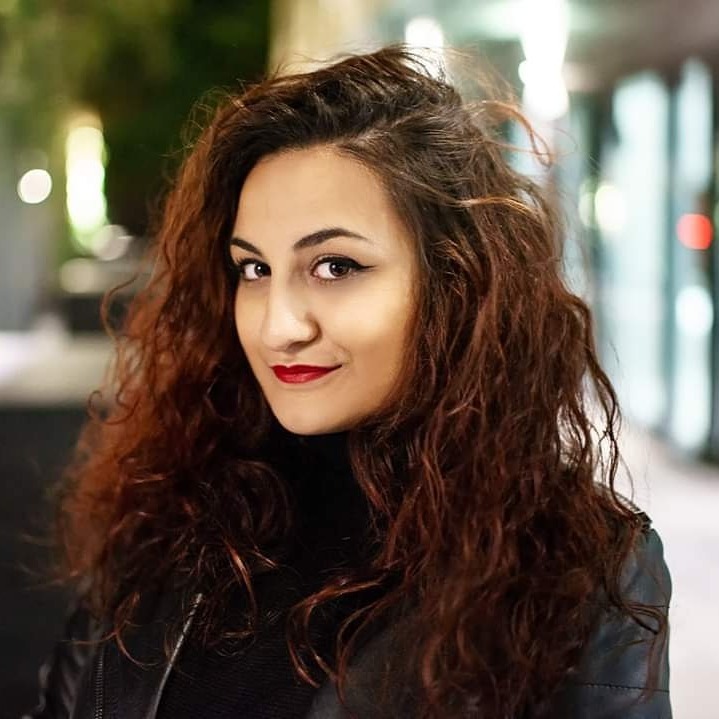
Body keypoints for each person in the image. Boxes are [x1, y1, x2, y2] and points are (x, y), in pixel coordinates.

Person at [29, 45, 671, 718]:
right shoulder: (177, 504)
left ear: (455, 283)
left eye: (335, 266)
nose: (279, 326)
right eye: (254, 269)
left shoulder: (574, 564)